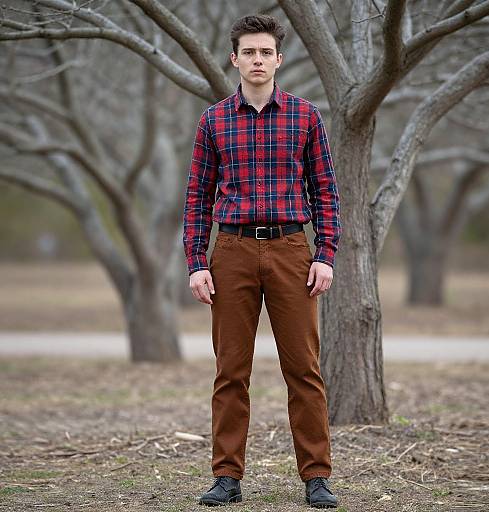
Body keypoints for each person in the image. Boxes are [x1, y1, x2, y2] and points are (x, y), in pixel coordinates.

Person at [182, 13, 341, 509]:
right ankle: (227, 477)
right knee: (231, 371)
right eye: (248, 52)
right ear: (235, 58)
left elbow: (326, 193)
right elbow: (196, 198)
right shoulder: (214, 120)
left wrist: (326, 254)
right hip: (230, 251)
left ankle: (316, 478)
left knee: (304, 370)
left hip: (293, 250)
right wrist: (196, 262)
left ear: (278, 58)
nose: (257, 59)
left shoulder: (305, 116)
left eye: (265, 52)